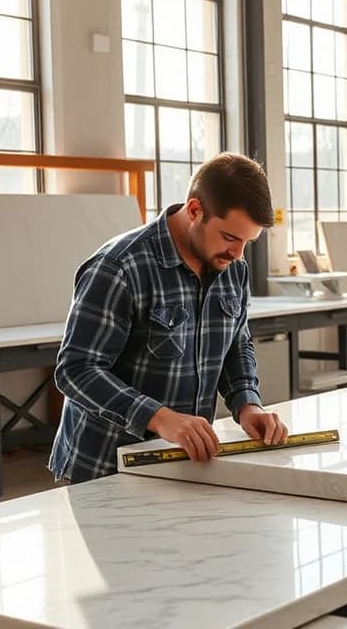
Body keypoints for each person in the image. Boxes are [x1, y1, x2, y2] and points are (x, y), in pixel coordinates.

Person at [48, 152, 289, 483]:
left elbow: (236, 344)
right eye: (230, 238)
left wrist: (248, 404)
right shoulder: (120, 267)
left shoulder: (232, 268)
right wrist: (159, 417)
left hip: (182, 465)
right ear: (194, 210)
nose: (237, 254)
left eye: (248, 242)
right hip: (104, 469)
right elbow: (75, 371)